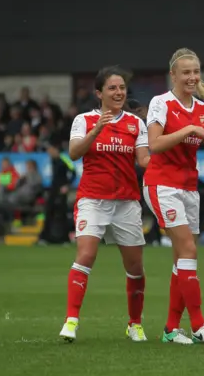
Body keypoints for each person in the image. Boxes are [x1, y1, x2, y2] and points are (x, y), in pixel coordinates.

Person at [59, 66, 150, 343]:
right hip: (93, 200)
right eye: (112, 88)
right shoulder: (83, 120)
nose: (118, 92)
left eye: (121, 87)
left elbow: (144, 160)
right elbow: (74, 153)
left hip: (126, 203)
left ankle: (134, 324)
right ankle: (71, 322)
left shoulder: (136, 124)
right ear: (99, 93)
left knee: (135, 268)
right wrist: (98, 128)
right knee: (85, 255)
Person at [144, 48, 204, 345]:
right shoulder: (161, 103)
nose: (193, 77)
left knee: (183, 257)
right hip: (161, 184)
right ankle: (199, 325)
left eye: (196, 72)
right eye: (186, 72)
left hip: (189, 187)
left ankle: (170, 328)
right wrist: (186, 131)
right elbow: (153, 145)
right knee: (189, 250)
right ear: (174, 75)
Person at [37, 142, 76, 244]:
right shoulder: (52, 160)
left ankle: (65, 238)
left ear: (56, 150)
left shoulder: (64, 159)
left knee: (62, 214)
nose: (49, 152)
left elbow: (73, 172)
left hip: (61, 191)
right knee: (48, 212)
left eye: (50, 150)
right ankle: (44, 238)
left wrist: (67, 185)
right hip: (53, 189)